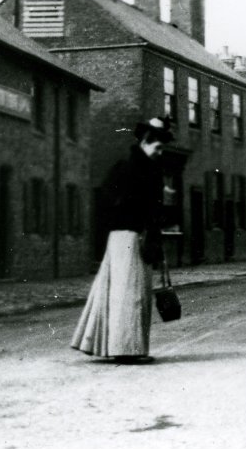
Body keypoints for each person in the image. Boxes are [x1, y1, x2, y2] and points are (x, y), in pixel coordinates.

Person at [71, 116, 173, 361]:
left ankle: (114, 346)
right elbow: (117, 203)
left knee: (121, 291)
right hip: (130, 237)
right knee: (131, 293)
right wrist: (144, 224)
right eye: (158, 147)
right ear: (145, 142)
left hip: (127, 237)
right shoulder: (134, 169)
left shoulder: (138, 168)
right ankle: (127, 349)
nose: (160, 153)